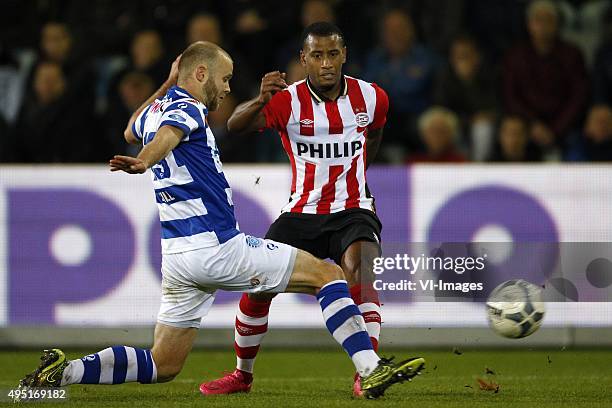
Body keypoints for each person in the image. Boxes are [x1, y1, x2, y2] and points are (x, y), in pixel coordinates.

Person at [16, 41, 424, 402]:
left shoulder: (157, 107)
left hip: (178, 259)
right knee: (328, 274)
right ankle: (371, 369)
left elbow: (130, 129)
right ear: (200, 74)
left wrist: (165, 84)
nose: (227, 89)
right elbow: (167, 137)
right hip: (216, 247)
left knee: (163, 364)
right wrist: (145, 161)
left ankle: (62, 371)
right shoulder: (187, 108)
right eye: (225, 79)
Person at [200, 22, 393, 398]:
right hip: (300, 214)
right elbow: (236, 126)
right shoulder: (287, 100)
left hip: (354, 208)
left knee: (361, 272)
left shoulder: (372, 98)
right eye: (317, 55)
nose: (326, 64)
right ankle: (242, 375)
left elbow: (376, 134)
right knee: (257, 287)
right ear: (304, 60)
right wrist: (259, 99)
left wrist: (358, 176)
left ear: (344, 56)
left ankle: (367, 372)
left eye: (333, 54)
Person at [503, 0, 588, 160]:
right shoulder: (515, 55)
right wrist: (533, 124)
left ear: (557, 24)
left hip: (564, 125)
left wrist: (556, 129)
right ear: (529, 24)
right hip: (527, 124)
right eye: (538, 20)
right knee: (512, 132)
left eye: (548, 20)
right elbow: (511, 96)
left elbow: (578, 96)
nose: (543, 26)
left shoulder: (572, 54)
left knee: (577, 140)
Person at [362, 9, 439, 162]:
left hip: (416, 116)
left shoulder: (425, 58)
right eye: (390, 30)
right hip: (385, 117)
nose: (395, 35)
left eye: (400, 29)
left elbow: (413, 88)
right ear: (383, 34)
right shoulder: (375, 59)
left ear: (411, 31)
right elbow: (366, 90)